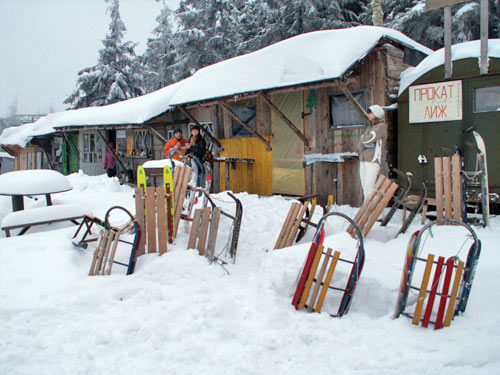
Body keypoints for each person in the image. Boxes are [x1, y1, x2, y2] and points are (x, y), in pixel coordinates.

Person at [358, 104, 387, 201]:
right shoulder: (370, 127)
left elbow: (367, 139)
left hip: (373, 160)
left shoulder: (381, 127)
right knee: (364, 187)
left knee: (369, 187)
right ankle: (367, 209)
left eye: (371, 112)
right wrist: (364, 140)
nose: (369, 114)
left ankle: (370, 210)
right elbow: (361, 142)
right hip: (363, 159)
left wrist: (364, 140)